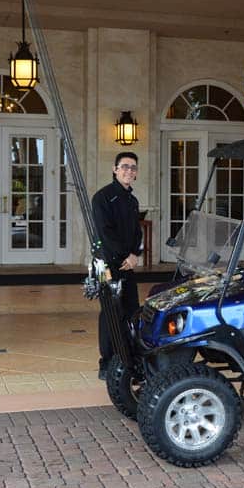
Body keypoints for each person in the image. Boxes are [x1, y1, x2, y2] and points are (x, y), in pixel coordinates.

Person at [92, 152, 143, 379]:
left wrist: (135, 254)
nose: (129, 171)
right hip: (106, 265)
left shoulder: (132, 201)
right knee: (110, 313)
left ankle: (130, 356)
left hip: (128, 264)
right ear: (115, 169)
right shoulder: (102, 198)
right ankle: (107, 362)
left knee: (132, 310)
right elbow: (105, 232)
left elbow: (137, 233)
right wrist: (124, 255)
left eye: (133, 168)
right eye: (124, 167)